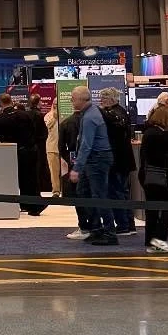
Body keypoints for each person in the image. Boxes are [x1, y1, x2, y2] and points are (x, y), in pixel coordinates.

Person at [61, 87, 117, 246]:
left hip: (97, 159)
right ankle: (96, 229)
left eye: (73, 98)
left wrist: (77, 168)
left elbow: (86, 145)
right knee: (82, 192)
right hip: (93, 159)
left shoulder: (90, 117)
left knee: (99, 196)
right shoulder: (89, 113)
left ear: (82, 100)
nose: (71, 101)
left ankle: (109, 232)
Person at [138, 94, 168, 253]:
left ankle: (150, 241)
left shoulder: (150, 133)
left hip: (148, 176)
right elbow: (157, 157)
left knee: (153, 209)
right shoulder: (156, 135)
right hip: (156, 176)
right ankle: (159, 239)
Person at [98, 89, 137, 232]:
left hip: (118, 161)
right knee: (122, 192)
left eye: (103, 98)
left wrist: (101, 112)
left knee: (117, 192)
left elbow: (117, 126)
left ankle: (123, 225)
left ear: (111, 99)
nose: (100, 100)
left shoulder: (116, 114)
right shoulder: (121, 112)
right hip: (122, 160)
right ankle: (127, 224)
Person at [15, 96, 50, 216]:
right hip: (37, 148)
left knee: (25, 177)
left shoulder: (26, 115)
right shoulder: (39, 115)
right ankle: (35, 205)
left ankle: (25, 203)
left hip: (25, 148)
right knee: (35, 176)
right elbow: (44, 133)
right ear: (38, 103)